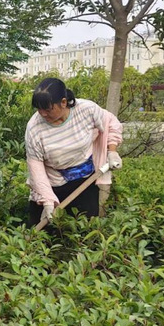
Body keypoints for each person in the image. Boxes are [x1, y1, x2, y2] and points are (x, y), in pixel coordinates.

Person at [25, 77, 123, 227]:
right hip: (52, 181)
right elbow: (35, 167)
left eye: (48, 109)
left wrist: (112, 151)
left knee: (84, 228)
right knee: (42, 230)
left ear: (63, 102)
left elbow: (111, 123)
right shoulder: (34, 127)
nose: (42, 114)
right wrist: (47, 200)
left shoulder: (86, 110)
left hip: (85, 180)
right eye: (39, 109)